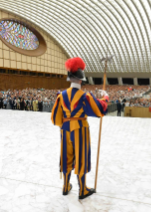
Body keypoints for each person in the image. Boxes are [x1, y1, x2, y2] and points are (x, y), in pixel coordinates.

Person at [51, 57, 109, 200]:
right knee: (81, 158)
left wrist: (65, 123)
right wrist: (105, 97)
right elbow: (100, 110)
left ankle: (65, 187)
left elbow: (55, 119)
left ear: (69, 78)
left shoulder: (61, 96)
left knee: (66, 157)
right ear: (81, 80)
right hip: (80, 130)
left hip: (65, 130)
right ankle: (82, 189)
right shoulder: (85, 97)